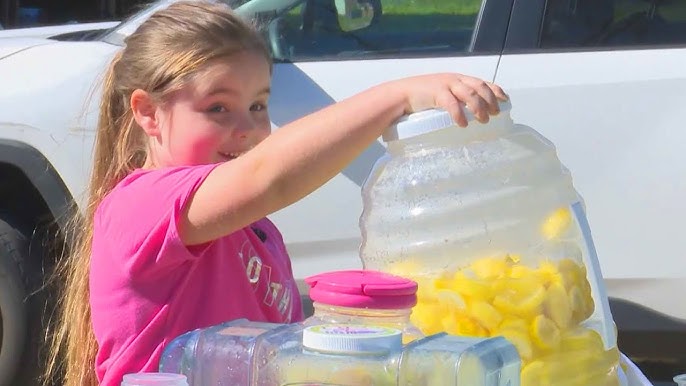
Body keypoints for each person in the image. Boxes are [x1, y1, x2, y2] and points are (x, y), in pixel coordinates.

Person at [44, 1, 508, 386]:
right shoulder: (140, 205)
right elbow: (270, 177)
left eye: (258, 105)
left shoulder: (258, 232)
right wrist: (397, 95)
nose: (245, 129)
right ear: (147, 112)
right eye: (218, 107)